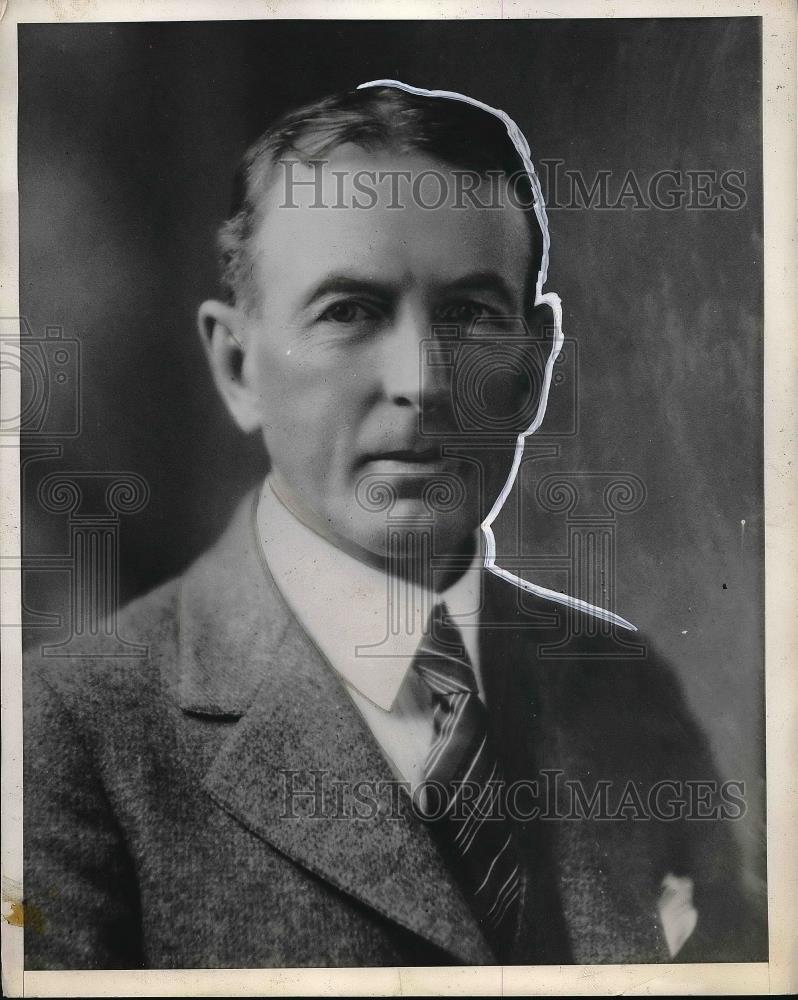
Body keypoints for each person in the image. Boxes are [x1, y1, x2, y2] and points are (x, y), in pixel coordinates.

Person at [23, 82, 764, 969]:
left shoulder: (625, 686)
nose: (423, 378)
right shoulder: (70, 736)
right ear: (237, 366)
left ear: (533, 370)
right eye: (350, 312)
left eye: (470, 316)